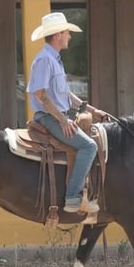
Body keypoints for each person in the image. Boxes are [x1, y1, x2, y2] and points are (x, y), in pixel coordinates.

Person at [27, 12, 106, 213]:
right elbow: (41, 94)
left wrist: (91, 110)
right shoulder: (45, 59)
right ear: (58, 35)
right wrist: (63, 120)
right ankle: (72, 198)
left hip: (57, 114)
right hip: (48, 118)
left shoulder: (54, 59)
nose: (70, 36)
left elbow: (66, 95)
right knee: (88, 146)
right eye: (67, 33)